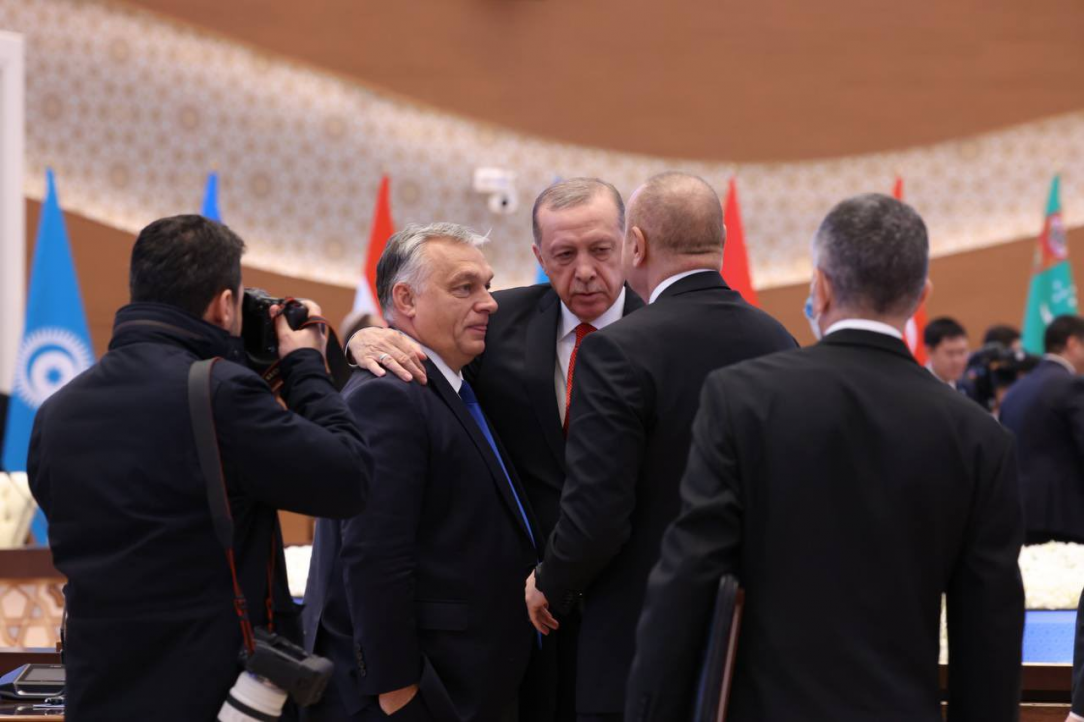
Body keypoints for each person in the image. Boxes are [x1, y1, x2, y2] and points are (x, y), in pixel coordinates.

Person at [625, 193, 1024, 722]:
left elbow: (688, 578)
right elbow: (988, 635)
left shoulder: (741, 399)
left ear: (822, 285)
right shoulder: (980, 437)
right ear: (920, 295)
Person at [26, 215, 371, 721]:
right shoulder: (219, 395)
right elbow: (349, 478)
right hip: (216, 697)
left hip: (97, 690)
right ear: (225, 303)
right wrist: (304, 368)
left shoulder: (55, 412)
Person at [346, 178, 643, 722]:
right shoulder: (496, 324)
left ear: (629, 244)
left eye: (600, 250)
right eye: (563, 254)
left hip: (631, 625)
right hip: (508, 647)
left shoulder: (666, 332)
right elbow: (375, 549)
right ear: (538, 256)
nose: (583, 271)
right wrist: (361, 338)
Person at [524, 171, 795, 722]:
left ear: (636, 244)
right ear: (721, 237)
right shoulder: (780, 341)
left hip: (639, 644)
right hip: (753, 638)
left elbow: (599, 511)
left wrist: (550, 582)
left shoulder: (618, 351)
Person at [303, 223, 539, 722]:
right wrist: (397, 693)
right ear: (405, 300)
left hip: (471, 681)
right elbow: (374, 555)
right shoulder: (388, 394)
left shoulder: (449, 381)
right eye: (464, 288)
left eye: (487, 285)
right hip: (423, 694)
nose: (489, 302)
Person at [1000, 314, 1084, 544]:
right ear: (1073, 344)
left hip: (1021, 515)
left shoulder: (1015, 391)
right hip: (1067, 519)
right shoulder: (1072, 385)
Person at [924, 316, 969, 389]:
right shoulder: (918, 387)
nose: (957, 360)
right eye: (950, 353)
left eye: (961, 352)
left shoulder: (967, 386)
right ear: (930, 351)